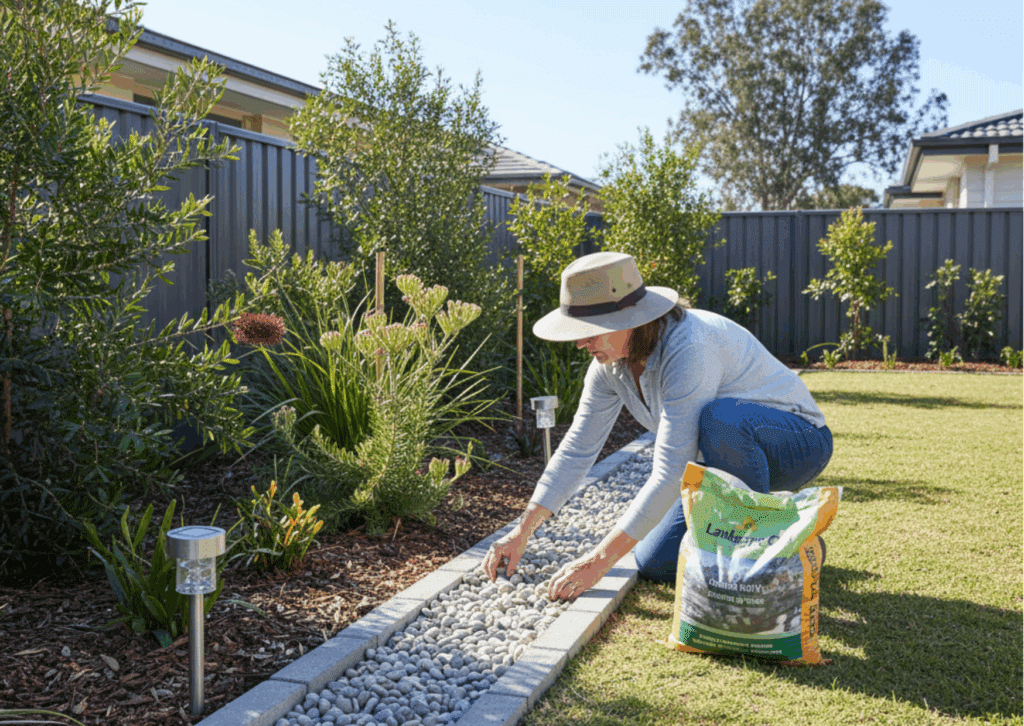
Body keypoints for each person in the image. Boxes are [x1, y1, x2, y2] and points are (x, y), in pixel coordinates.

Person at [483, 251, 833, 601]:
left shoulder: (689, 348)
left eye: (588, 332)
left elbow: (671, 470)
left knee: (721, 420)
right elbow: (578, 447)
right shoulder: (609, 367)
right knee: (654, 561)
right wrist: (521, 532)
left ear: (629, 319)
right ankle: (787, 534)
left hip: (795, 444)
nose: (579, 343)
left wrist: (596, 562)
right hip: (715, 462)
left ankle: (753, 561)